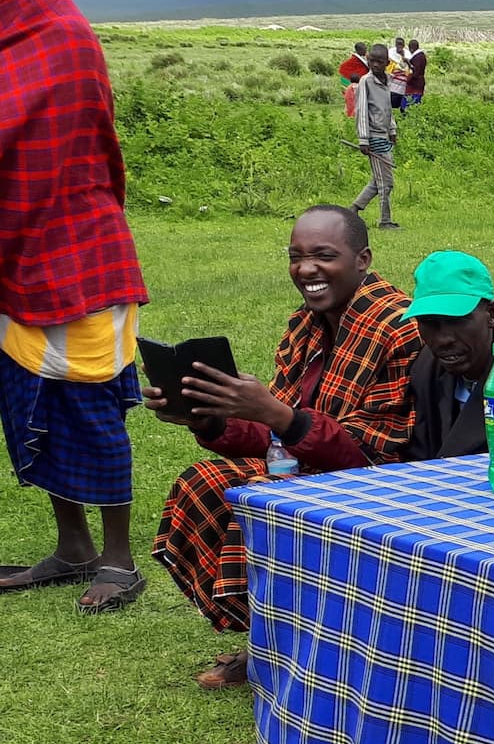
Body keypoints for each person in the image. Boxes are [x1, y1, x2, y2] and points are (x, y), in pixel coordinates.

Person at [147, 206, 418, 688]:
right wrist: (210, 416)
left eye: (323, 256)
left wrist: (277, 414)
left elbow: (371, 454)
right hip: (307, 464)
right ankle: (270, 644)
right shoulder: (306, 324)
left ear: (362, 259)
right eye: (296, 257)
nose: (306, 269)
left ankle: (284, 651)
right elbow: (276, 433)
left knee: (255, 501)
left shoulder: (398, 327)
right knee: (203, 483)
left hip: (384, 483)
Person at [0, 0, 152, 616]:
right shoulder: (16, 27)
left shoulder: (56, 35)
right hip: (19, 253)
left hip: (71, 255)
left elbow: (45, 152)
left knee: (88, 406)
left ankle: (119, 561)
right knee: (32, 400)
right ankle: (73, 548)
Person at [403, 250, 494, 460]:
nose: (442, 339)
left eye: (457, 321)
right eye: (429, 323)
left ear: (492, 314)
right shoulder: (425, 366)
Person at [350, 44, 398, 230]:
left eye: (380, 62)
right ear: (368, 61)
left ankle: (354, 209)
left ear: (387, 63)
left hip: (384, 135)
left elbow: (387, 109)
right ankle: (385, 221)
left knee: (378, 180)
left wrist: (392, 130)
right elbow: (361, 111)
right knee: (386, 183)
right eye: (372, 61)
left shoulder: (388, 80)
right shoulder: (365, 81)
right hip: (373, 137)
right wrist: (363, 139)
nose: (375, 65)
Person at [403, 38, 427, 111]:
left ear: (411, 48)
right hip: (418, 83)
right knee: (413, 104)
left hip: (415, 84)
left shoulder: (418, 57)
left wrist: (408, 79)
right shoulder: (420, 56)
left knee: (408, 105)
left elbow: (415, 72)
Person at [388, 36, 409, 109]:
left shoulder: (408, 55)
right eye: (398, 44)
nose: (399, 46)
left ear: (403, 45)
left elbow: (408, 69)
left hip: (403, 88)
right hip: (392, 87)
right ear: (395, 44)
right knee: (392, 108)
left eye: (401, 44)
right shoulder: (390, 54)